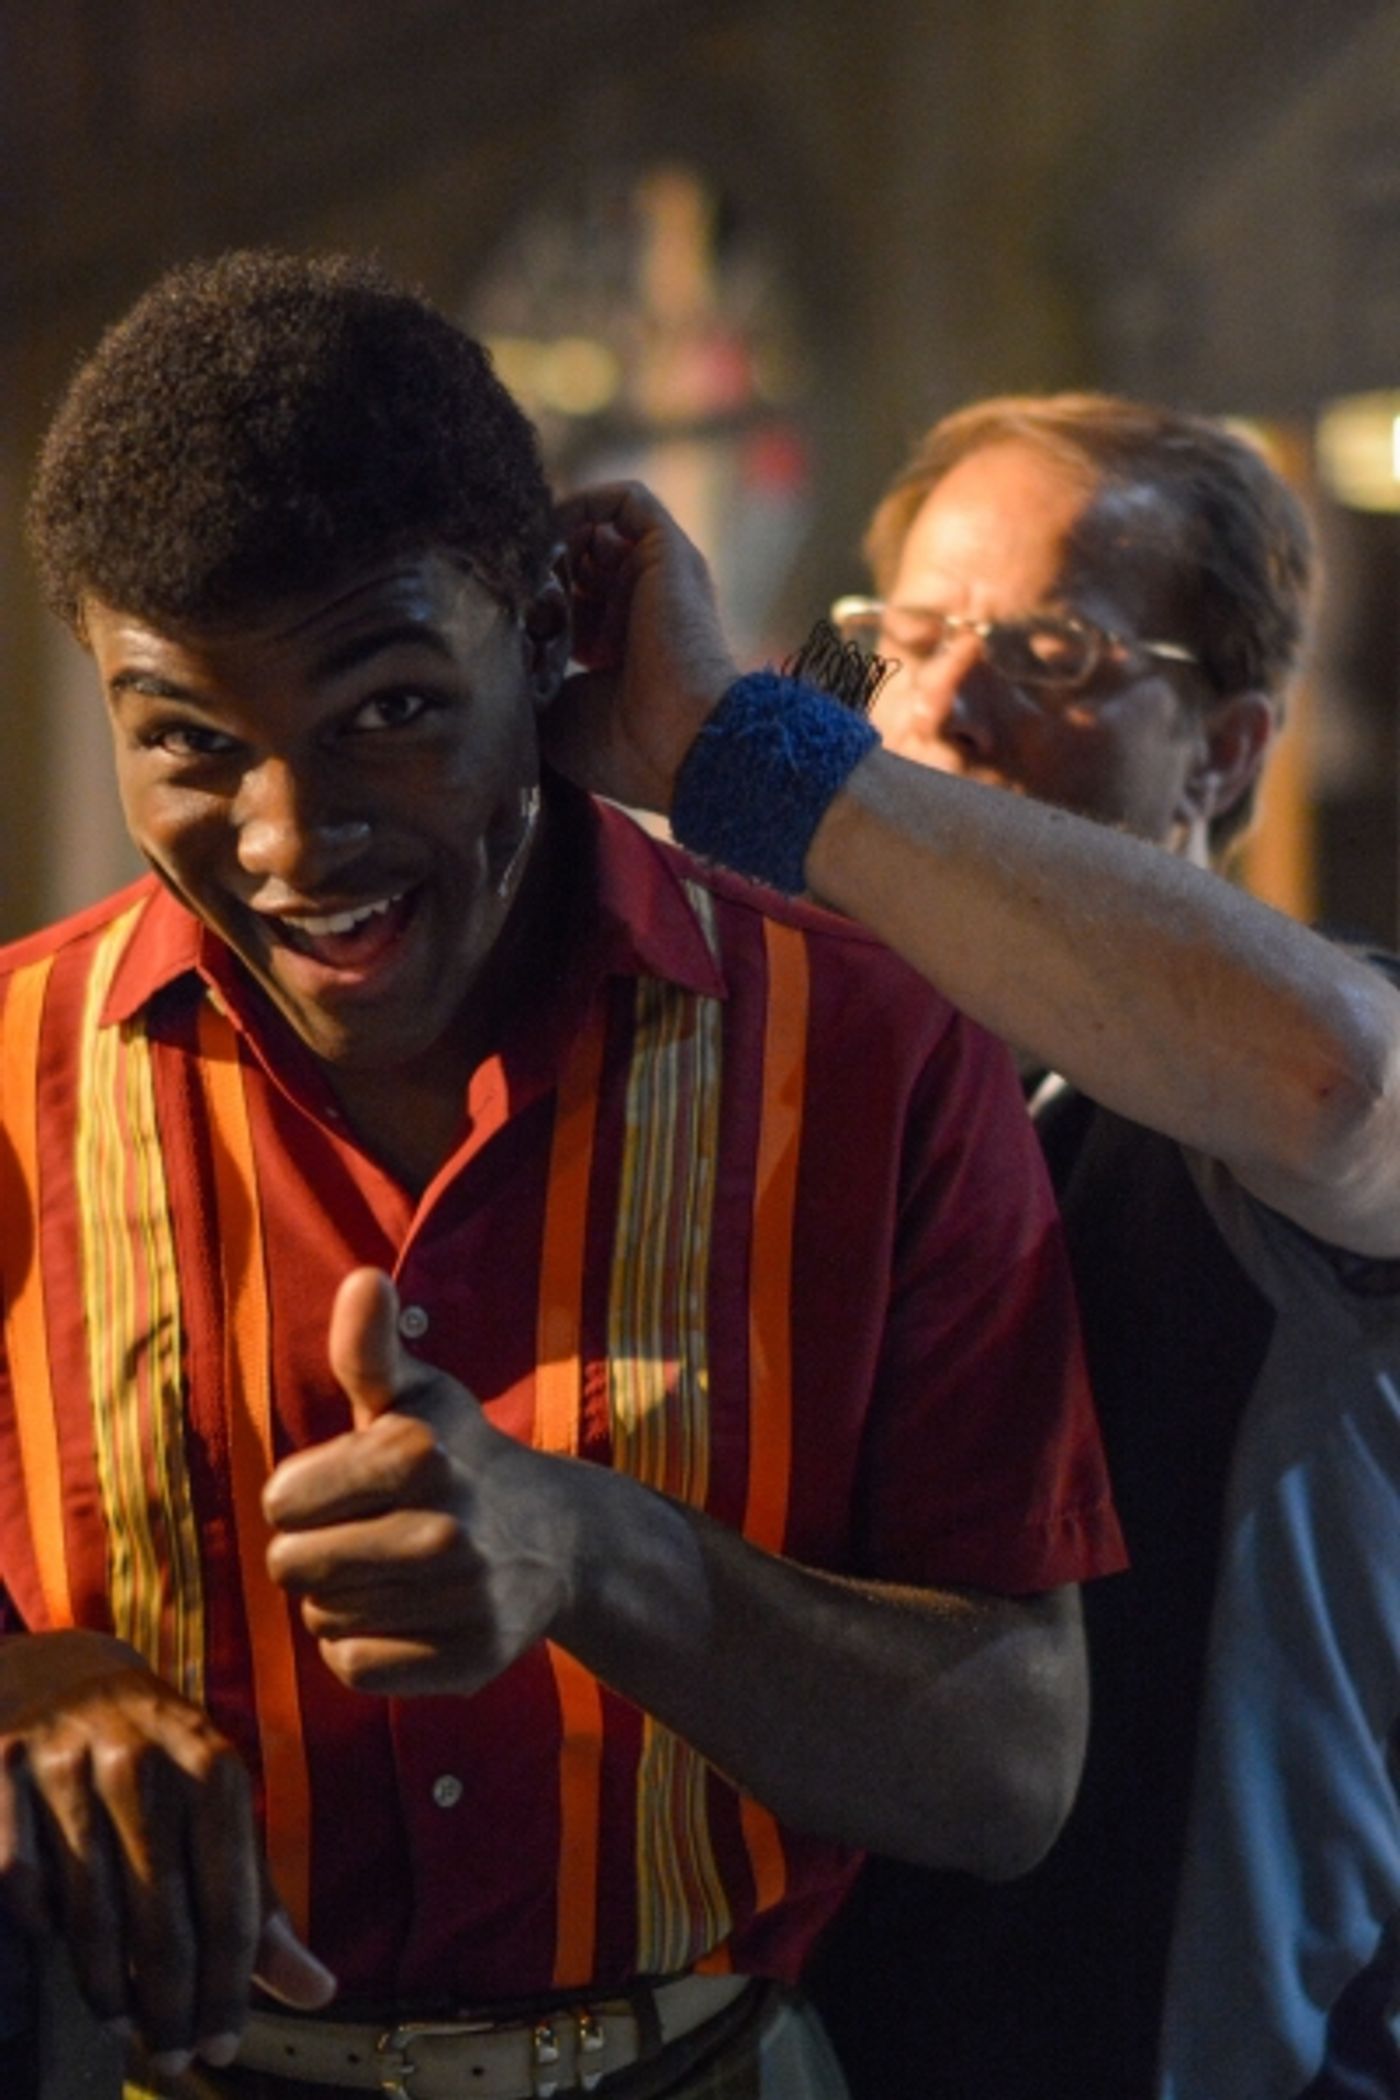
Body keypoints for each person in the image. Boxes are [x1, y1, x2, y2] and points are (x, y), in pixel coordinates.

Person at [0, 259, 1125, 2100]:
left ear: (544, 638)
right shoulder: (7, 1076)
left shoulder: (867, 1050)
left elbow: (1011, 1771)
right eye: (189, 741)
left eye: (387, 709)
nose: (292, 838)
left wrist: (601, 1556)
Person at [547, 402, 1400, 2100]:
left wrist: (751, 754)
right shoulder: (799, 1081)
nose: (944, 702)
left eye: (1056, 650)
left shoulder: (1248, 1100)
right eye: (905, 637)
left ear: (1227, 750)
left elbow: (1339, 1085)